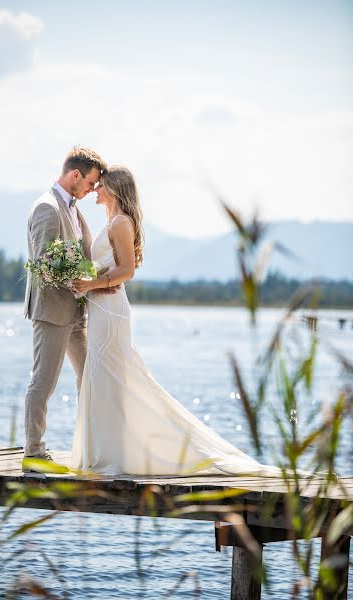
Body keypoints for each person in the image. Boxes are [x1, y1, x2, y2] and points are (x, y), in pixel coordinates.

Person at [71, 165, 281, 477]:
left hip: (111, 309)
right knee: (103, 378)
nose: (96, 191)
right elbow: (111, 267)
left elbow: (127, 271)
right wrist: (92, 280)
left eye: (100, 186)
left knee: (112, 376)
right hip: (101, 307)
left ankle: (127, 453)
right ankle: (106, 451)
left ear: (114, 189)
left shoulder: (121, 223)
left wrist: (90, 284)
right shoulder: (112, 221)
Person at [23, 146, 110, 470]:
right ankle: (33, 452)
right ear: (75, 175)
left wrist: (97, 280)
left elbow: (79, 255)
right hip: (52, 312)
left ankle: (88, 446)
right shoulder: (47, 207)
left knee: (90, 376)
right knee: (43, 381)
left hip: (76, 313)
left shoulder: (73, 208)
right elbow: (43, 263)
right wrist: (79, 281)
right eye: (90, 183)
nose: (91, 191)